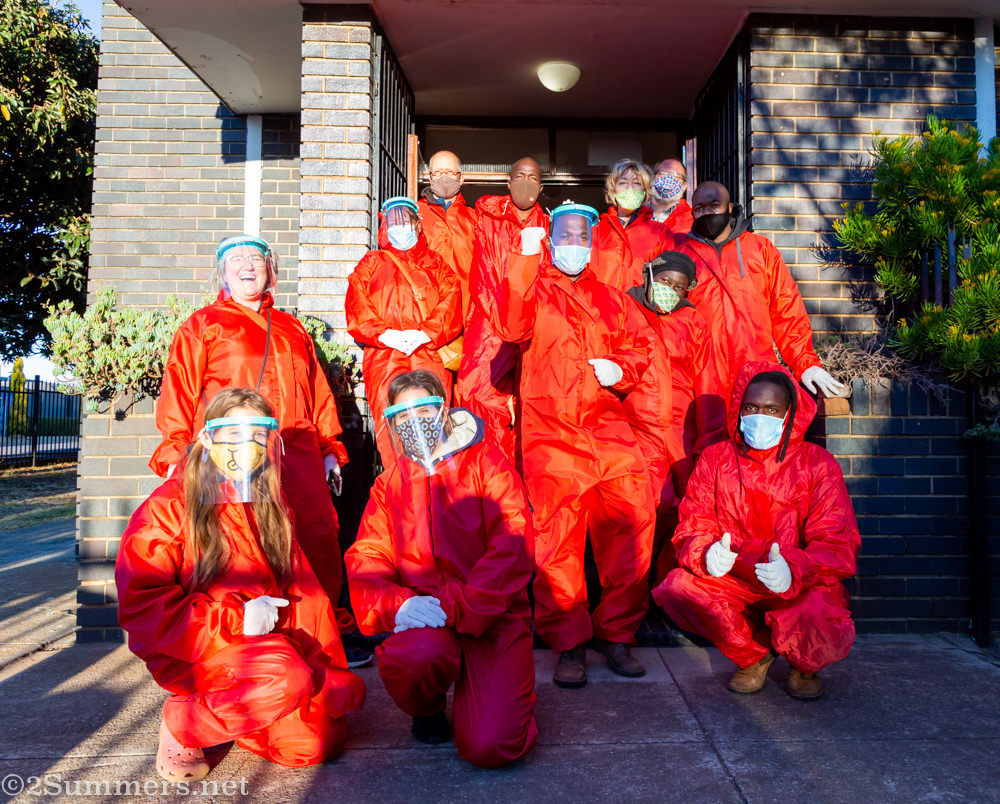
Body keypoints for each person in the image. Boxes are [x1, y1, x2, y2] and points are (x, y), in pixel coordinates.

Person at [117, 388, 367, 780]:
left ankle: (247, 709)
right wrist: (236, 621)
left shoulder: (269, 501)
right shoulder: (167, 507)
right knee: (288, 678)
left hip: (265, 648)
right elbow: (143, 606)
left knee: (316, 741)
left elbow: (304, 595)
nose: (245, 445)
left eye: (256, 435)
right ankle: (185, 720)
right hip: (195, 648)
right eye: (232, 432)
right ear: (206, 438)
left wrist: (326, 665)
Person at [150, 234, 369, 664]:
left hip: (299, 452)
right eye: (237, 259)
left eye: (257, 258)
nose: (248, 266)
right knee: (245, 544)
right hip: (237, 456)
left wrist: (329, 449)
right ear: (222, 271)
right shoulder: (202, 325)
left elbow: (317, 392)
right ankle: (253, 631)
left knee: (316, 539)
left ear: (271, 270)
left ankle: (329, 630)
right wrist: (177, 453)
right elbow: (179, 392)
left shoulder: (292, 328)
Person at [481, 201, 656, 688]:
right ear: (551, 238)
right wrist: (524, 258)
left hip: (607, 428)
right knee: (558, 542)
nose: (573, 244)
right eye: (565, 235)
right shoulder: (533, 290)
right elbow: (511, 326)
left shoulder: (613, 298)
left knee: (633, 525)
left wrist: (622, 367)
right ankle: (569, 642)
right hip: (552, 433)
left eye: (581, 236)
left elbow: (639, 345)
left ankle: (617, 633)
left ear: (591, 241)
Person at [345, 370, 537, 768]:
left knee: (491, 746)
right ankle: (428, 707)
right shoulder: (389, 484)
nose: (415, 422)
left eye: (425, 409)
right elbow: (367, 557)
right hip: (426, 620)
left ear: (443, 409)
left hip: (492, 619)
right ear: (391, 424)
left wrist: (455, 604)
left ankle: (509, 699)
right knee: (410, 657)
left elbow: (513, 544)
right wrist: (397, 605)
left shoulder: (487, 464)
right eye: (403, 416)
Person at [653, 361, 860, 700]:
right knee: (678, 587)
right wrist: (705, 552)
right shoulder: (716, 458)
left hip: (796, 583)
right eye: (751, 407)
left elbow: (837, 542)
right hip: (737, 579)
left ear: (788, 414)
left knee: (820, 608)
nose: (759, 416)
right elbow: (694, 521)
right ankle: (754, 656)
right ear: (738, 408)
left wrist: (794, 568)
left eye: (770, 409)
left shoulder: (816, 463)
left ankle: (804, 663)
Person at [682, 181, 846, 399]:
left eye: (714, 205)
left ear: (729, 207)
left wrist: (805, 363)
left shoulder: (760, 249)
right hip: (701, 378)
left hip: (756, 371)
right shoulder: (681, 255)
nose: (707, 213)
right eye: (699, 209)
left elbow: (786, 309)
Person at [624, 251, 727, 579]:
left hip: (680, 433)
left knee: (677, 508)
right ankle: (631, 587)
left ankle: (663, 582)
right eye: (665, 281)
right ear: (649, 276)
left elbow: (708, 380)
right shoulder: (625, 310)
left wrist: (709, 442)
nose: (670, 290)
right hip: (632, 428)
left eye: (679, 288)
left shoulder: (693, 321)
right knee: (634, 509)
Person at [346, 196, 463, 469]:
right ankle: (401, 496)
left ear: (418, 225)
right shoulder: (371, 263)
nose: (401, 226)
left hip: (428, 355)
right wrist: (385, 334)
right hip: (385, 357)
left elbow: (451, 299)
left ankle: (439, 495)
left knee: (435, 424)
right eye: (394, 220)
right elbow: (356, 302)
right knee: (392, 429)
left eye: (406, 219)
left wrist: (425, 333)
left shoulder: (436, 263)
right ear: (384, 225)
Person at [457, 157, 548, 464]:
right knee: (480, 400)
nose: (526, 183)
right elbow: (481, 277)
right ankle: (488, 475)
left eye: (532, 178)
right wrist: (502, 322)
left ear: (541, 186)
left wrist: (526, 324)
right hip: (489, 328)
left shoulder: (548, 227)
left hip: (532, 332)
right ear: (508, 184)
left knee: (530, 407)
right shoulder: (488, 219)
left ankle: (519, 487)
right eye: (519, 176)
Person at [591, 158, 676, 292]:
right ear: (613, 191)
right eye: (623, 182)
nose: (630, 188)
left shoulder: (660, 232)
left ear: (645, 191)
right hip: (603, 308)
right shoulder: (595, 231)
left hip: (641, 309)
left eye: (637, 183)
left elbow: (669, 276)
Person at [417, 150, 479, 319]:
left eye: (450, 172)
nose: (444, 177)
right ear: (430, 177)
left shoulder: (475, 218)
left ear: (461, 178)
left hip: (466, 312)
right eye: (438, 172)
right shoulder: (415, 214)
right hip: (425, 312)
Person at [647, 158, 693, 234]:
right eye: (663, 174)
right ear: (652, 179)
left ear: (684, 187)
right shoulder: (635, 213)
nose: (668, 179)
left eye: (677, 176)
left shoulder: (691, 220)